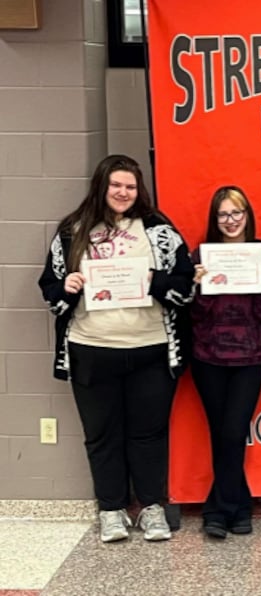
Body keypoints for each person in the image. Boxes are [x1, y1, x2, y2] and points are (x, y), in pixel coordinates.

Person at [38, 154, 194, 543]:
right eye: (116, 185)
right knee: (101, 434)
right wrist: (68, 287)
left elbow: (185, 287)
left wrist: (153, 279)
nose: (123, 193)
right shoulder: (73, 231)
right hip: (91, 348)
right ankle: (111, 509)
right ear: (101, 187)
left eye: (130, 186)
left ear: (139, 189)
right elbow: (50, 290)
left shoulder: (159, 230)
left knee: (149, 433)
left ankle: (152, 508)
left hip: (151, 348)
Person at [190, 186, 261, 539]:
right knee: (220, 434)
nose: (230, 220)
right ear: (215, 219)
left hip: (249, 356)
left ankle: (219, 510)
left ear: (247, 216)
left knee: (233, 432)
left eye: (237, 213)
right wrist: (200, 285)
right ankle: (238, 508)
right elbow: (195, 315)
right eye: (223, 214)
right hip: (208, 356)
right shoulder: (201, 255)